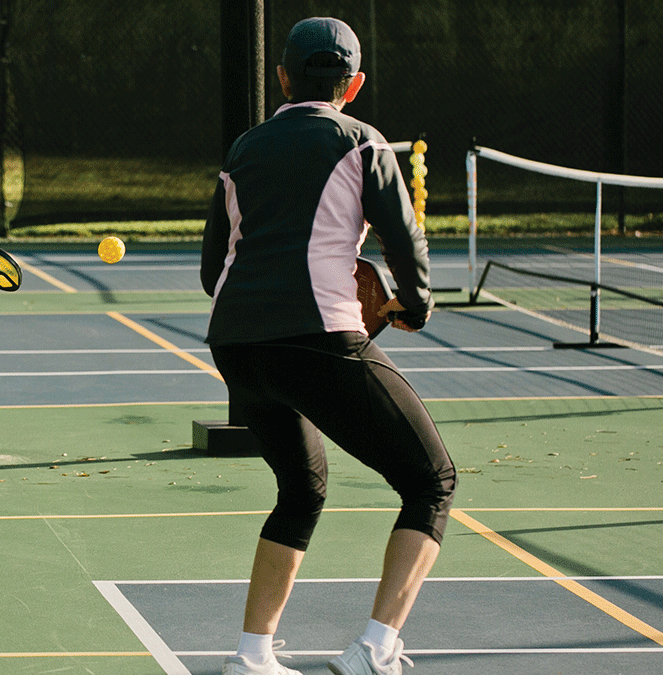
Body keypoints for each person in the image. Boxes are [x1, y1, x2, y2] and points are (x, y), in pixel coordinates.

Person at [200, 17, 457, 675]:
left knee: (302, 487)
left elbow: (212, 268)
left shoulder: (244, 148)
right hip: (316, 336)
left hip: (235, 344)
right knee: (431, 481)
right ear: (356, 84)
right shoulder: (363, 141)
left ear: (282, 77)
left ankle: (251, 655)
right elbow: (404, 239)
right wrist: (415, 305)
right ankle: (376, 649)